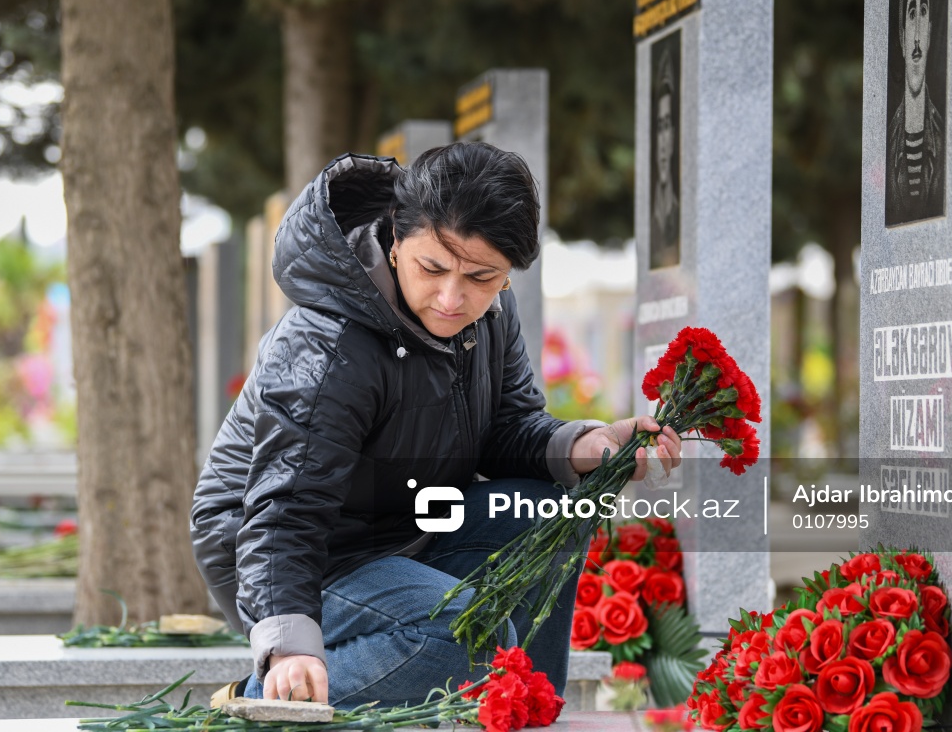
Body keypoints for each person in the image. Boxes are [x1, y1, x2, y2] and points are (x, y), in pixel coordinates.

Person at [190, 142, 681, 710]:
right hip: (289, 551)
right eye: (433, 269)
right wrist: (288, 648)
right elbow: (286, 505)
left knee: (550, 509)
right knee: (469, 635)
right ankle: (262, 697)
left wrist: (582, 445)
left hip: (403, 526)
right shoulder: (328, 344)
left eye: (482, 276)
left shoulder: (491, 312)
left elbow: (507, 426)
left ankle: (525, 708)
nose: (452, 298)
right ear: (396, 239)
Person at [886, 0, 944, 226]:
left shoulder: (941, 134)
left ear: (931, 29)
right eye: (911, 14)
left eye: (923, 10)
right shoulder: (890, 140)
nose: (917, 37)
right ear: (901, 31)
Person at [650, 44, 680, 268]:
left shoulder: (677, 209)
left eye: (667, 124)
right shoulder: (654, 214)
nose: (662, 141)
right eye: (660, 125)